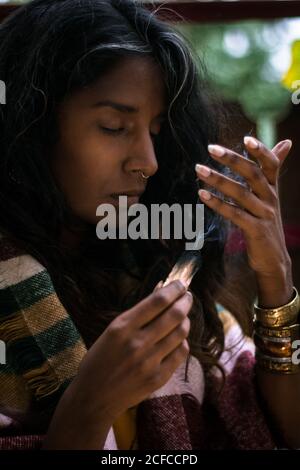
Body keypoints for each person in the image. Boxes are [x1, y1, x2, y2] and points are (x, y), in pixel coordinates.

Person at [0, 0, 299, 450]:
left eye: (156, 130)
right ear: (30, 124)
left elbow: (287, 432)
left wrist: (277, 279)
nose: (148, 162)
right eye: (114, 126)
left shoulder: (161, 284)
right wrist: (91, 403)